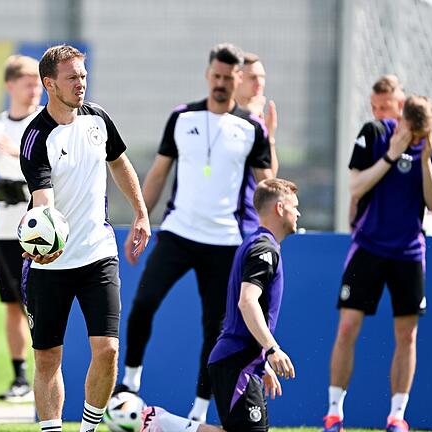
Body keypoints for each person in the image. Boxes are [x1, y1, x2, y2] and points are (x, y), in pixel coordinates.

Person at [118, 43, 274, 423]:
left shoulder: (251, 128)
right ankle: (130, 382)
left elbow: (269, 187)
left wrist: (270, 138)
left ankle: (200, 408)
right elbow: (157, 173)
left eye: (228, 77)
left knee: (215, 328)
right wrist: (142, 217)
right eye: (216, 76)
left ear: (238, 80)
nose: (221, 83)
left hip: (226, 241)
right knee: (143, 302)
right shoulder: (181, 117)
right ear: (208, 74)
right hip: (178, 232)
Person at [19, 44, 151, 432]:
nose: (81, 83)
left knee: (108, 349)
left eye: (83, 75)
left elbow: (119, 162)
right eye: (72, 77)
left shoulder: (98, 119)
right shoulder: (36, 137)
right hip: (50, 264)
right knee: (47, 358)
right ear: (49, 84)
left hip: (98, 254)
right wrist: (43, 236)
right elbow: (43, 202)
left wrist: (141, 212)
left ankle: (90, 428)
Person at [322, 96, 432, 432]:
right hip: (368, 247)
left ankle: (397, 416)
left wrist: (423, 160)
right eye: (413, 132)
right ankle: (334, 413)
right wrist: (393, 154)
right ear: (402, 118)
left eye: (424, 134)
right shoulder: (375, 133)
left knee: (406, 335)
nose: (418, 138)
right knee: (348, 327)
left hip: (408, 252)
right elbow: (356, 185)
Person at [140, 178, 300, 432]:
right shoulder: (264, 249)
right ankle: (161, 423)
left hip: (240, 361)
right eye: (294, 206)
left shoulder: (256, 242)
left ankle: (162, 422)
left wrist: (261, 360)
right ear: (280, 208)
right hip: (236, 362)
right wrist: (271, 349)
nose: (298, 213)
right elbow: (247, 301)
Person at [0, 55, 42, 402]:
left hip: (43, 230)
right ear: (10, 86)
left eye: (37, 83)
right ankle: (20, 378)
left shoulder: (44, 123)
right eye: (28, 83)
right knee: (14, 303)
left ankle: (45, 373)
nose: (34, 90)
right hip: (5, 228)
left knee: (41, 302)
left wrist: (21, 157)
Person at [350, 75, 432, 233]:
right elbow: (356, 190)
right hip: (371, 238)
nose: (377, 114)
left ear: (401, 106)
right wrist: (353, 226)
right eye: (374, 107)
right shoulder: (374, 133)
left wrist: (430, 227)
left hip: (412, 240)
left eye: (384, 108)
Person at [235, 52, 279, 176]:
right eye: (253, 77)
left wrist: (269, 137)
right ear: (237, 79)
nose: (260, 83)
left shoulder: (259, 118)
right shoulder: (223, 115)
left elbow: (270, 175)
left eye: (262, 77)